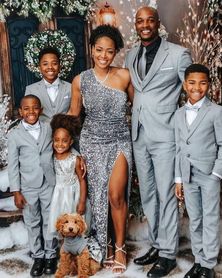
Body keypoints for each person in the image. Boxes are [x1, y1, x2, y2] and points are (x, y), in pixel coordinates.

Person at [125, 6, 192, 277]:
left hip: (165, 135)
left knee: (166, 195)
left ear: (157, 23)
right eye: (139, 21)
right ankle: (157, 242)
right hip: (139, 134)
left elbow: (192, 93)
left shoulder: (177, 54)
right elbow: (136, 91)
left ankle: (168, 254)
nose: (144, 25)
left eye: (149, 20)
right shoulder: (131, 54)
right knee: (148, 193)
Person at [68, 25, 134, 275]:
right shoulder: (80, 80)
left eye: (109, 51)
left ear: (116, 52)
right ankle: (105, 244)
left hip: (119, 139)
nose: (104, 56)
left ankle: (119, 247)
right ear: (92, 49)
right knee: (98, 198)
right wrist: (74, 154)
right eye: (99, 50)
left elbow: (139, 111)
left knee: (116, 195)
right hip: (91, 142)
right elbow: (74, 117)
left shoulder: (125, 76)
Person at [175, 64, 222, 278]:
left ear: (208, 85)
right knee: (195, 219)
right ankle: (198, 259)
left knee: (209, 218)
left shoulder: (217, 112)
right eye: (191, 82)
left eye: (202, 82)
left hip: (209, 175)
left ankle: (208, 264)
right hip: (188, 175)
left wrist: (216, 174)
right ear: (184, 84)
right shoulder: (179, 114)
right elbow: (179, 148)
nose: (196, 87)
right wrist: (179, 179)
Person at [7, 95, 58, 277]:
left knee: (49, 220)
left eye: (35, 108)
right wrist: (16, 191)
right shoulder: (14, 135)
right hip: (28, 186)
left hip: (49, 183)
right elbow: (13, 165)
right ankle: (38, 256)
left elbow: (60, 147)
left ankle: (51, 256)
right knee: (32, 222)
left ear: (41, 110)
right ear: (20, 112)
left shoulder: (48, 128)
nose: (31, 112)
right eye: (26, 109)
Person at [47, 113, 90, 238]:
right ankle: (65, 249)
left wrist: (82, 201)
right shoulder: (51, 156)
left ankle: (77, 249)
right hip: (58, 194)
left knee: (74, 222)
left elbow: (82, 181)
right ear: (52, 140)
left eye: (64, 141)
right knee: (61, 224)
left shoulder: (75, 159)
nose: (60, 144)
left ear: (71, 142)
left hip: (72, 194)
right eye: (57, 140)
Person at [25, 47, 71, 123]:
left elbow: (74, 113)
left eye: (54, 63)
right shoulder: (31, 89)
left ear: (59, 67)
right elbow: (28, 117)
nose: (50, 67)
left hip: (65, 132)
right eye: (45, 64)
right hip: (41, 133)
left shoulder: (70, 87)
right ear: (39, 68)